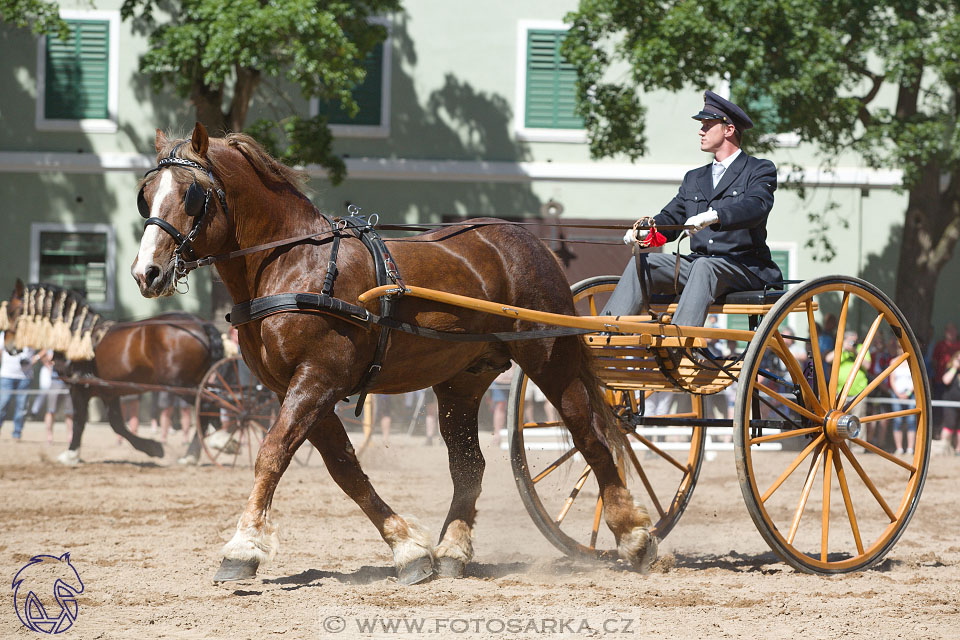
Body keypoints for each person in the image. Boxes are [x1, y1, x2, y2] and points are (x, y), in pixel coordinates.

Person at [601, 90, 780, 327]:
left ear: (728, 130)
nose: (701, 130)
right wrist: (646, 234)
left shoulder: (758, 169)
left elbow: (757, 206)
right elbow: (672, 217)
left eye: (708, 124)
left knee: (705, 267)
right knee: (647, 263)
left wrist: (716, 216)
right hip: (699, 265)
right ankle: (607, 333)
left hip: (743, 265)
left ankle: (679, 342)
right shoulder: (695, 178)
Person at [0, 333, 40, 441]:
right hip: (7, 376)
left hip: (25, 377)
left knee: (21, 407)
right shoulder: (5, 335)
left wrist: (36, 358)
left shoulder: (31, 335)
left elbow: (46, 346)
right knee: (2, 404)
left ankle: (17, 434)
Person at [31, 349, 73, 445]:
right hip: (55, 381)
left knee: (70, 412)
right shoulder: (54, 347)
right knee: (51, 411)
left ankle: (70, 437)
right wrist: (48, 362)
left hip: (68, 382)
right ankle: (49, 437)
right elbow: (44, 357)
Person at [939, 351, 960, 455]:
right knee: (949, 425)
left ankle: (958, 450)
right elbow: (946, 381)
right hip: (950, 404)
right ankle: (944, 447)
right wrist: (955, 368)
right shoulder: (950, 369)